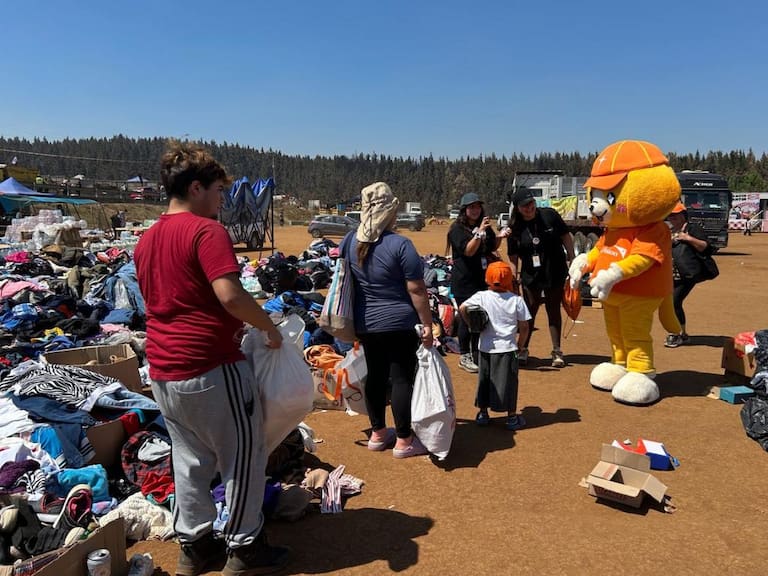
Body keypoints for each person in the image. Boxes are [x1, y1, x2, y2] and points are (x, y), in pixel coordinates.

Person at [134, 142, 290, 576]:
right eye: (219, 190)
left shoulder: (146, 239)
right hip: (211, 365)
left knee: (188, 461)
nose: (223, 199)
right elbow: (231, 295)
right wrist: (268, 327)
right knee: (241, 455)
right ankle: (244, 549)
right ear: (196, 187)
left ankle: (195, 545)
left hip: (164, 370)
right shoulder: (207, 232)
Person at [343, 181, 434, 458]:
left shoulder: (349, 241)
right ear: (391, 212)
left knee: (376, 376)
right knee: (401, 378)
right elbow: (417, 289)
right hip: (399, 323)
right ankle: (404, 440)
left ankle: (378, 433)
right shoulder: (400, 244)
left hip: (366, 324)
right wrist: (428, 324)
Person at [506, 189, 574, 368]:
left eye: (531, 203)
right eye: (524, 206)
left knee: (553, 310)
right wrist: (514, 277)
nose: (529, 208)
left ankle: (557, 351)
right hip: (531, 276)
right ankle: (523, 349)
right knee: (529, 312)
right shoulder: (514, 228)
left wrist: (572, 257)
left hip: (555, 271)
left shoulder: (549, 215)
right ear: (518, 208)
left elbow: (566, 236)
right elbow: (513, 255)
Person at [459, 261, 531, 430]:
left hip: (485, 347)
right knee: (510, 382)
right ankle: (511, 418)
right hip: (508, 348)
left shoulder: (481, 296)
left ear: (487, 278)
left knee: (484, 380)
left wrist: (471, 324)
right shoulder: (516, 300)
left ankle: (483, 414)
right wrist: (520, 345)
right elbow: (525, 326)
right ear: (509, 280)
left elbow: (462, 308)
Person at [447, 192, 509, 373]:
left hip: (482, 281)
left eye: (477, 207)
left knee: (480, 319)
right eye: (471, 207)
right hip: (464, 282)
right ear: (464, 210)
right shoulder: (457, 230)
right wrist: (480, 232)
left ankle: (476, 353)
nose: (475, 210)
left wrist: (501, 236)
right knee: (467, 319)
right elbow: (468, 251)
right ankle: (464, 355)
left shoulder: (485, 226)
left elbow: (491, 246)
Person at [665, 201, 712, 348]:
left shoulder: (692, 229)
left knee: (675, 302)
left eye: (676, 216)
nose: (673, 218)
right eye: (671, 216)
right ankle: (678, 333)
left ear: (683, 216)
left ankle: (681, 334)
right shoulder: (669, 231)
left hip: (687, 275)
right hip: (670, 274)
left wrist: (688, 238)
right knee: (670, 304)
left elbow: (706, 247)